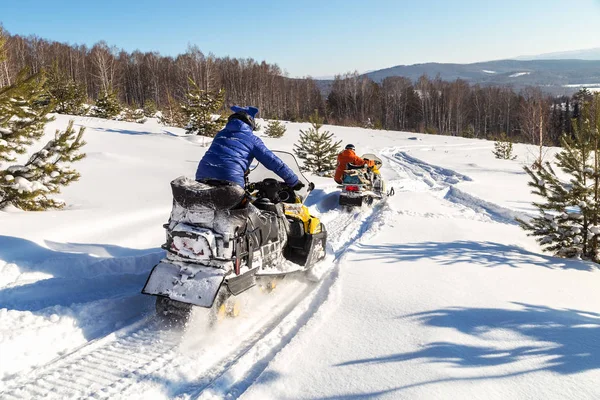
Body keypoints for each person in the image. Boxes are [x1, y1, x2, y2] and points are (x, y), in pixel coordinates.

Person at [196, 106, 304, 204]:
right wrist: (293, 181)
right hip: (230, 182)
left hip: (201, 178)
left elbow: (223, 156)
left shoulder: (220, 134)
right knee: (246, 215)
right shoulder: (252, 139)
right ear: (250, 122)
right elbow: (272, 161)